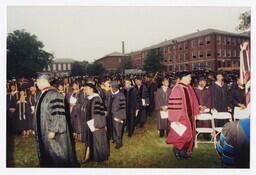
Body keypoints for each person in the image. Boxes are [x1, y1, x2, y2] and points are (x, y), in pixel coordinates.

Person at [34, 74, 78, 167]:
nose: (36, 84)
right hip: (44, 128)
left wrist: (54, 130)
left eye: (37, 82)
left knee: (58, 153)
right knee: (48, 152)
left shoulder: (54, 94)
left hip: (53, 131)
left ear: (43, 81)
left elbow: (58, 113)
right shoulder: (42, 94)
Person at [166, 72, 199, 160]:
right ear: (183, 78)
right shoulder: (177, 88)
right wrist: (174, 119)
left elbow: (194, 101)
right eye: (189, 77)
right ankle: (177, 151)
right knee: (181, 135)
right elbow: (173, 105)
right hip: (181, 118)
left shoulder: (189, 88)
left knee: (189, 135)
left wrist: (195, 113)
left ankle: (183, 152)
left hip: (189, 117)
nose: (190, 79)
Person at [81, 83, 109, 162]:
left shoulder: (96, 99)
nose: (85, 91)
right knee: (91, 140)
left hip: (96, 124)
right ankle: (88, 156)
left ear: (91, 89)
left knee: (97, 140)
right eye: (84, 89)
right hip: (90, 123)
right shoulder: (90, 99)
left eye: (86, 89)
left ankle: (99, 157)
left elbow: (98, 113)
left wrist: (97, 125)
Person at [110, 81, 126, 149]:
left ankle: (119, 143)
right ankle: (115, 139)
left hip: (118, 116)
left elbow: (123, 107)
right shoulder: (112, 94)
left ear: (114, 88)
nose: (110, 88)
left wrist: (120, 118)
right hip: (112, 115)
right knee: (114, 128)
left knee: (118, 129)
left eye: (111, 87)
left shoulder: (121, 95)